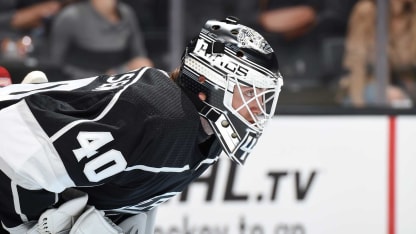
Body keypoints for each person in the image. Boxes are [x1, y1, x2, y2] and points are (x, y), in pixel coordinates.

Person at [0, 16, 284, 234]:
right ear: (210, 80)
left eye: (263, 97)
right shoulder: (159, 116)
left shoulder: (205, 139)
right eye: (249, 92)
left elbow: (126, 203)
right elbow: (12, 153)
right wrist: (23, 225)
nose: (259, 108)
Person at [338, 0, 416, 107]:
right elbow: (356, 63)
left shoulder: (412, 13)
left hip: (406, 85)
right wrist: (359, 105)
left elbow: (409, 60)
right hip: (367, 83)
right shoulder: (367, 10)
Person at [49, 0, 154, 79]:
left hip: (121, 82)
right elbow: (56, 64)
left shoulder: (127, 13)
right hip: (83, 85)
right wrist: (105, 77)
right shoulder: (70, 17)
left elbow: (139, 55)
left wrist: (120, 72)